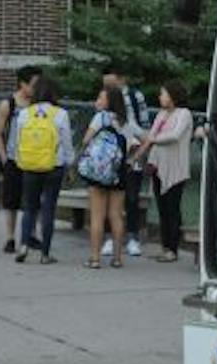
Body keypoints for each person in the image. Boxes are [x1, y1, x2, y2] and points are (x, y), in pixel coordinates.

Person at [130, 78, 194, 263]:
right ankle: (165, 247)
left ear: (173, 95)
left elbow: (174, 136)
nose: (160, 96)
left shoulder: (184, 114)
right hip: (158, 167)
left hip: (176, 168)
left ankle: (173, 249)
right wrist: (140, 152)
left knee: (172, 208)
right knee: (162, 208)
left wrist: (153, 139)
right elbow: (150, 137)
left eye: (163, 93)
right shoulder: (161, 114)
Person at [13, 75, 71, 265]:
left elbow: (17, 141)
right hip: (54, 165)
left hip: (29, 165)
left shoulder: (24, 113)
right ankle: (45, 254)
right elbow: (67, 143)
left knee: (29, 208)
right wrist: (69, 164)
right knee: (48, 209)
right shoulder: (61, 114)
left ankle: (23, 245)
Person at [102, 67, 153, 261]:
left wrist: (140, 154)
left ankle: (132, 237)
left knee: (132, 197)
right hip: (110, 159)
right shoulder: (104, 107)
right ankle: (110, 238)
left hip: (132, 156)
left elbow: (145, 127)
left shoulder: (134, 97)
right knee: (109, 199)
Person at [77, 83, 129, 269]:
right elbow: (136, 143)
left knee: (97, 216)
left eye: (101, 98)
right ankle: (117, 258)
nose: (97, 101)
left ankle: (95, 258)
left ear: (109, 101)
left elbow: (85, 140)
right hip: (118, 171)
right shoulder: (124, 121)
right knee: (116, 215)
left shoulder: (100, 117)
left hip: (99, 171)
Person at [0, 68, 39, 253]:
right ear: (22, 84)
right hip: (13, 158)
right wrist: (4, 157)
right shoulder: (8, 104)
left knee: (32, 198)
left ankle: (31, 234)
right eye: (33, 85)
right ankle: (10, 237)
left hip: (34, 158)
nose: (36, 89)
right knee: (11, 200)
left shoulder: (38, 104)